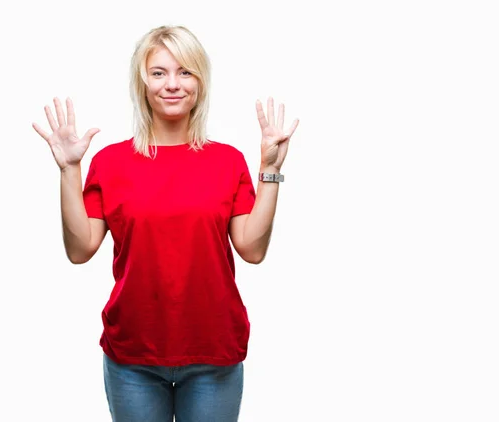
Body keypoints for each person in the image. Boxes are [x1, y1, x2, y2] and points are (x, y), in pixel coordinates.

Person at [32, 24, 299, 422]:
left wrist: (270, 171)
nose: (172, 84)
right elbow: (79, 249)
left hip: (214, 350)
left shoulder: (227, 161)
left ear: (200, 82)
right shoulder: (110, 162)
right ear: (142, 83)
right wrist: (70, 169)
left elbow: (252, 249)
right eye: (158, 73)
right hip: (133, 356)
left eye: (185, 71)